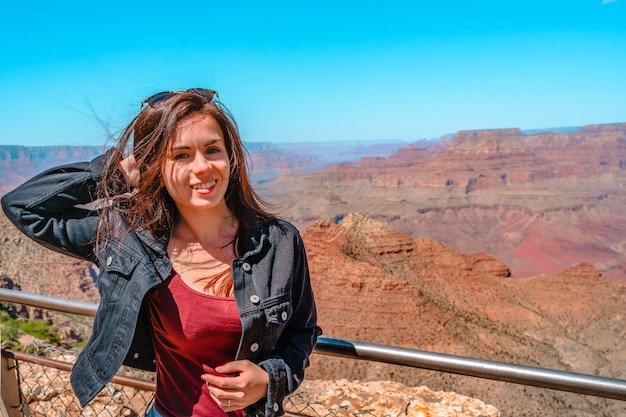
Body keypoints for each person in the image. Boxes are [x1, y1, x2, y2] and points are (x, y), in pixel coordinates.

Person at [1, 88, 321, 417]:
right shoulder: (129, 238)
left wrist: (270, 378)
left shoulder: (279, 242)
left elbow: (303, 331)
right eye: (180, 155)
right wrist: (116, 174)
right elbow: (23, 207)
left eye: (213, 149)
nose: (202, 167)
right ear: (154, 165)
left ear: (231, 156)